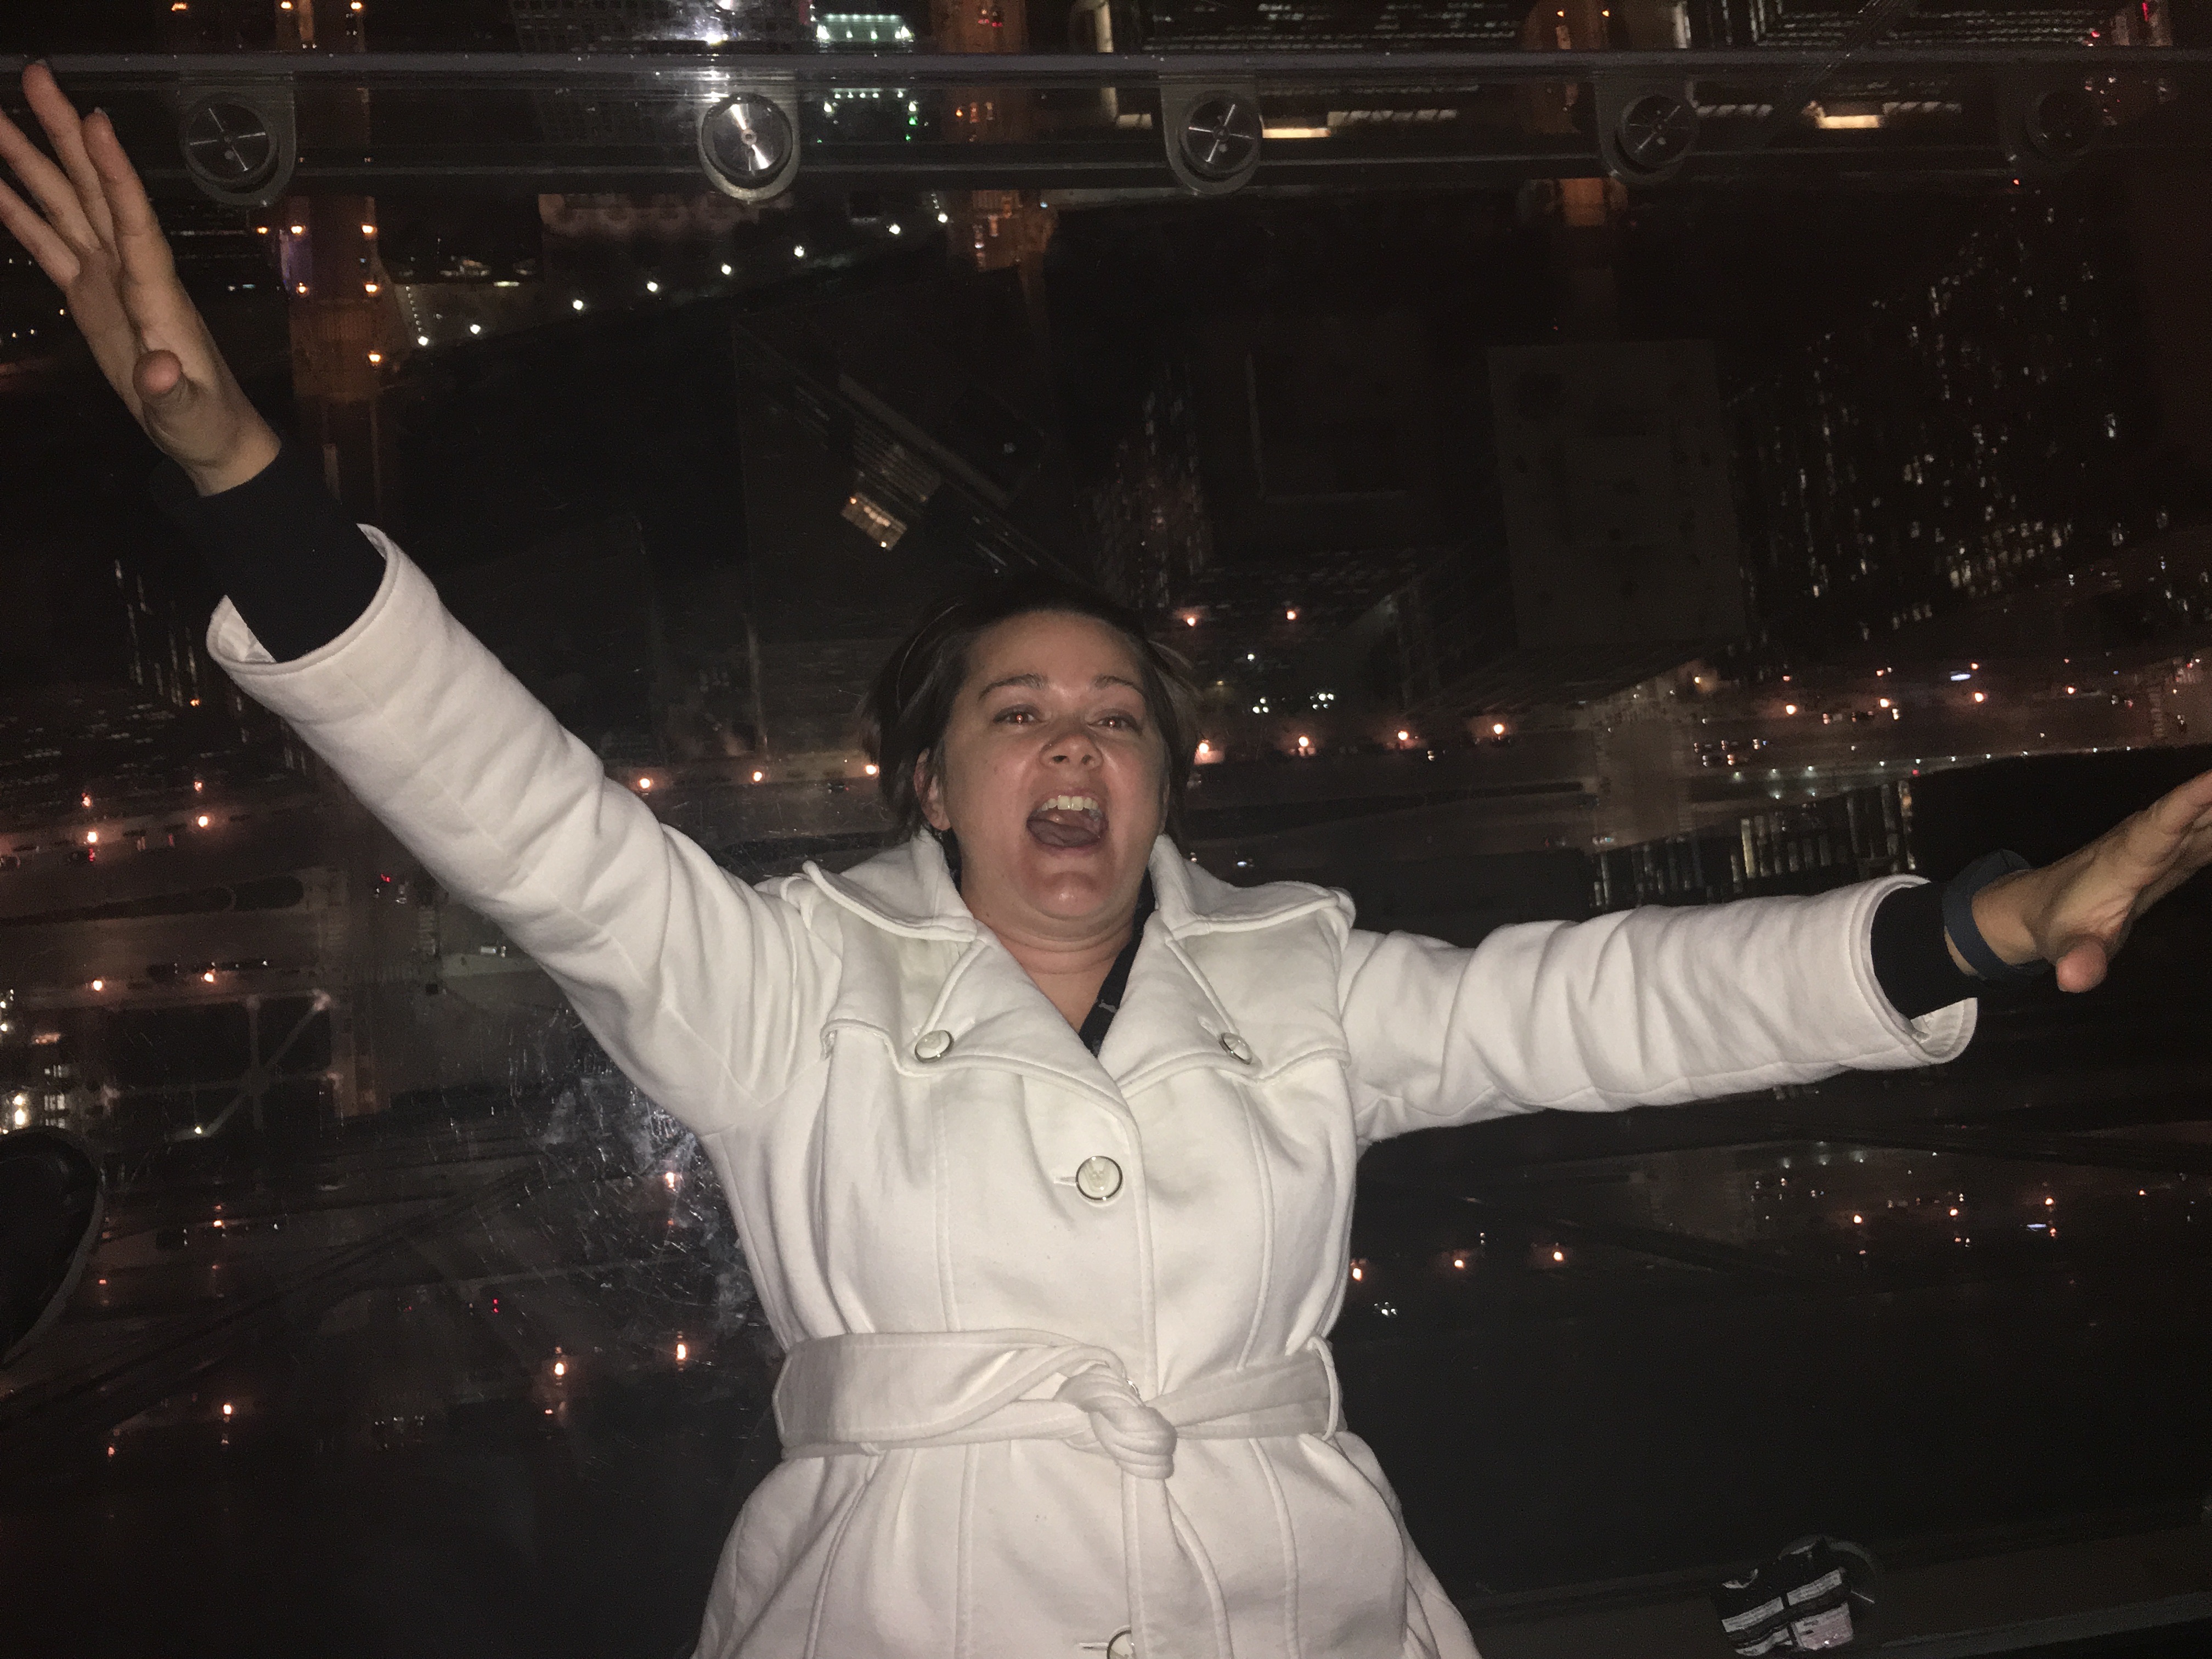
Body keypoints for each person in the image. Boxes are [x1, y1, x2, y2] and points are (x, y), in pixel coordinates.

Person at [6, 64, 2211, 1659]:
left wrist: (1984, 925)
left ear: (1164, 782)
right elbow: (515, 807)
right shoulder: (781, 993)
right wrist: (240, 465)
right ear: (929, 783)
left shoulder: (1307, 988)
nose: (1075, 744)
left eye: (1120, 717)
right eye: (1017, 713)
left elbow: (1617, 1006)